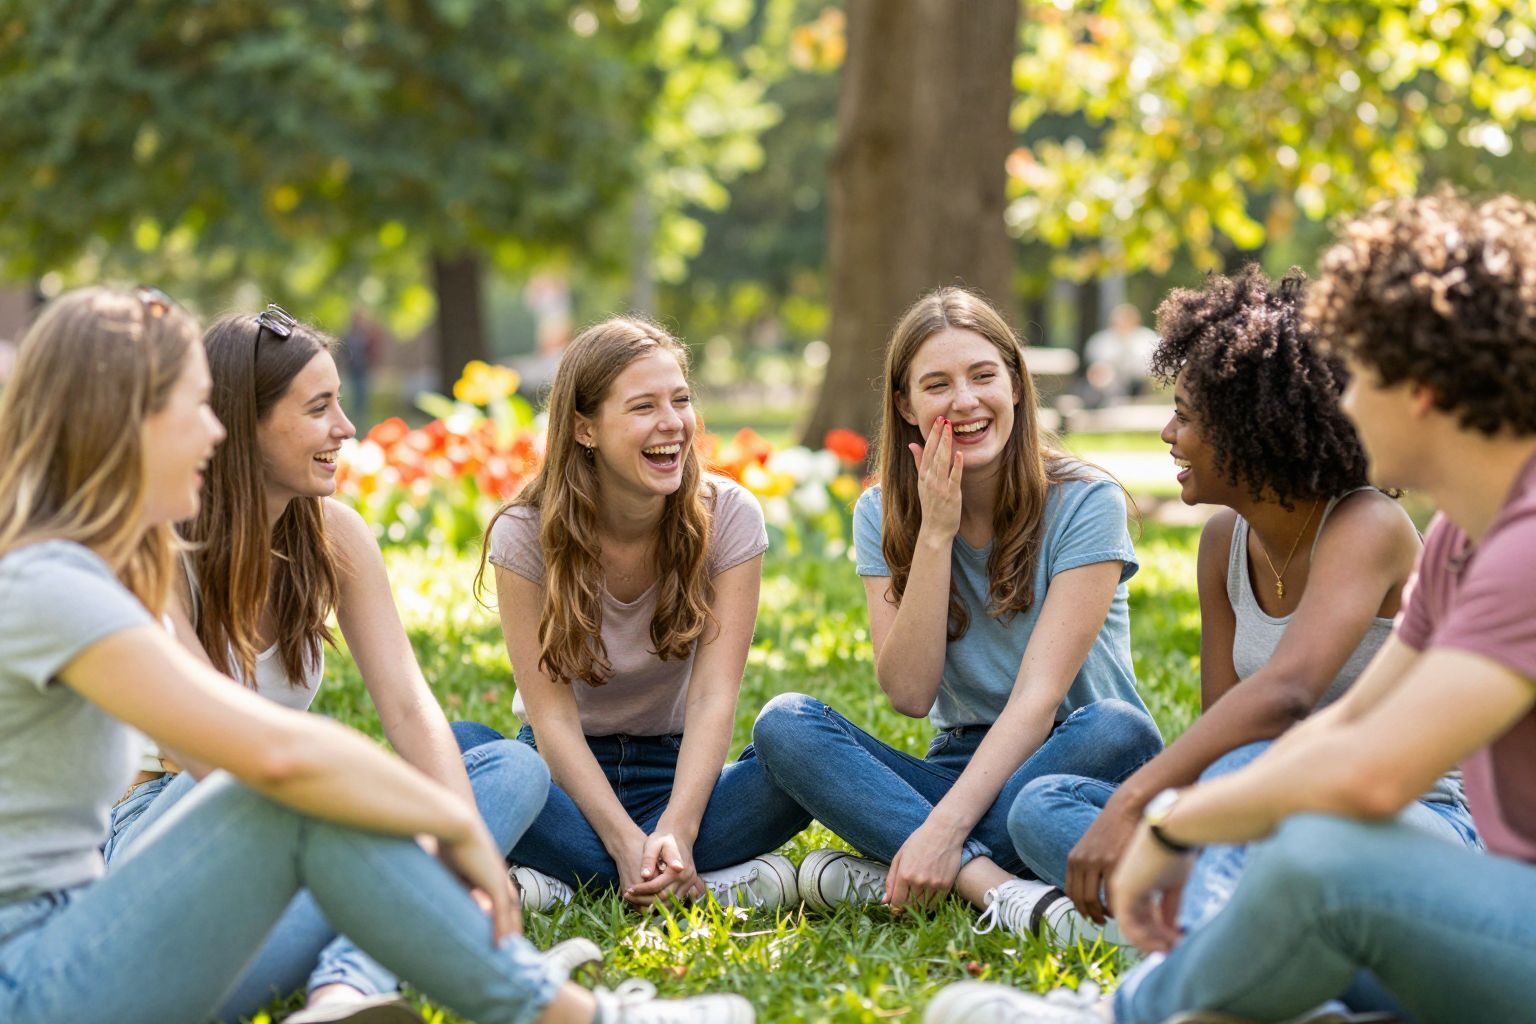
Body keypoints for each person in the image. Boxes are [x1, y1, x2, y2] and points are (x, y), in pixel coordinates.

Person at [0, 286, 751, 1024]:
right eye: (195, 408)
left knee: (412, 790)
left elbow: (400, 707)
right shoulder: (58, 583)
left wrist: (426, 813)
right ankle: (574, 1016)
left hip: (101, 949)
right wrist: (453, 830)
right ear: (126, 420)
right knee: (295, 795)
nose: (211, 432)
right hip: (49, 969)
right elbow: (266, 759)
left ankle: (352, 985)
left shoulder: (78, 569)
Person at [925, 191, 1536, 1023]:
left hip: (1476, 888)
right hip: (1466, 903)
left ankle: (1127, 1012)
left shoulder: (1516, 553)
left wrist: (1176, 825)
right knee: (1286, 858)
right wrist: (1183, 807)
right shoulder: (1466, 542)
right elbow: (1336, 732)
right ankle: (1263, 986)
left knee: (1319, 859)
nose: (1344, 403)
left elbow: (1369, 767)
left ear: (1420, 389)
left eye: (1363, 376)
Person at [101, 304, 594, 1024]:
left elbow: (406, 704)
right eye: (320, 408)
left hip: (297, 816)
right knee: (338, 802)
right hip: (169, 826)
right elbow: (204, 749)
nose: (347, 428)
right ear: (247, 421)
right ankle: (412, 943)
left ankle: (341, 989)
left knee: (512, 771)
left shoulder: (335, 537)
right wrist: (377, 810)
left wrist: (456, 826)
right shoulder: (160, 548)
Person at [1007, 265, 1475, 945]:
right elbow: (1223, 723)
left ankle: (1184, 940)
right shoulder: (1223, 543)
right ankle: (1233, 930)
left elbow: (1286, 696)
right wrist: (1174, 810)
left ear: (1255, 431)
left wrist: (1143, 803)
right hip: (1267, 805)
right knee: (1043, 806)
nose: (1169, 433)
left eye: (1187, 417)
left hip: (1405, 819)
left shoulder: (1364, 525)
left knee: (1223, 779)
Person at [751, 287, 1163, 936]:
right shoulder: (880, 512)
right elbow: (911, 693)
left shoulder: (1087, 501)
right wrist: (935, 535)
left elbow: (1037, 699)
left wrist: (940, 828)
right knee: (786, 724)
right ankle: (990, 885)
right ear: (905, 407)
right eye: (937, 384)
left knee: (1115, 723)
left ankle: (904, 859)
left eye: (982, 376)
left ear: (1017, 386)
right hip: (957, 765)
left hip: (1074, 756)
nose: (965, 401)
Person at [479, 316, 810, 912]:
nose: (672, 424)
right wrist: (624, 839)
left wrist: (678, 829)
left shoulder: (729, 516)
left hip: (679, 772)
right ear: (585, 428)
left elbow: (714, 699)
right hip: (561, 779)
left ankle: (567, 880)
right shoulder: (524, 534)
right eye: (642, 407)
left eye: (680, 399)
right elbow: (551, 720)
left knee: (801, 754)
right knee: (465, 752)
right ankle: (702, 879)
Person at [1081, 304, 1158, 408]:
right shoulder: (1101, 340)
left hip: (1139, 383)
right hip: (1109, 384)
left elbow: (1149, 367)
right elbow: (1096, 367)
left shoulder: (1147, 338)